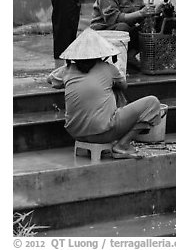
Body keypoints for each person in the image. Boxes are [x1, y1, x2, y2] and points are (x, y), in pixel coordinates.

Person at [60, 28, 161, 159]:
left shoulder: (66, 71)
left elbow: (51, 79)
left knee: (111, 93)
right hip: (104, 133)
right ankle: (122, 145)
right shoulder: (108, 68)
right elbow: (124, 85)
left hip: (75, 132)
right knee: (152, 103)